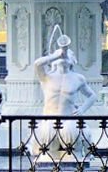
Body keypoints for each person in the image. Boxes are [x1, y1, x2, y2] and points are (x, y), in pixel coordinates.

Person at [32, 25, 95, 157]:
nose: (64, 54)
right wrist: (54, 56)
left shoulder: (78, 78)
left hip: (69, 120)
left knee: (73, 148)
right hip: (49, 120)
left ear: (73, 60)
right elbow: (37, 64)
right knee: (47, 152)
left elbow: (92, 96)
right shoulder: (47, 77)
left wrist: (82, 110)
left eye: (67, 53)